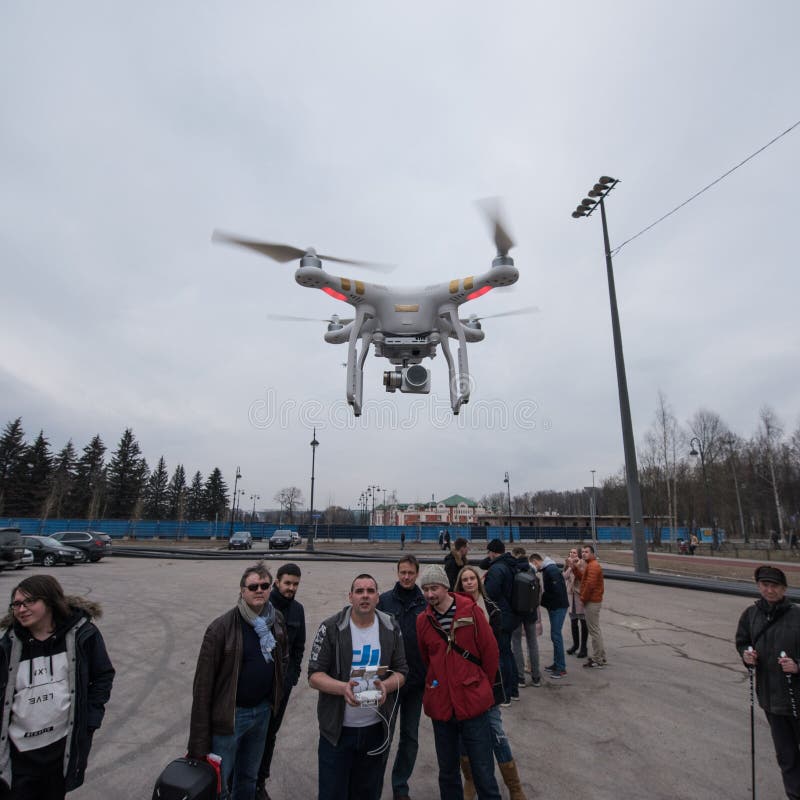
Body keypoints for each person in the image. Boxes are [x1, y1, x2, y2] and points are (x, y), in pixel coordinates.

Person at [0, 574, 114, 800]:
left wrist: (91, 721)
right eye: (16, 604)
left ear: (50, 602)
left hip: (60, 753)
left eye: (28, 602)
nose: (21, 609)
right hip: (18, 757)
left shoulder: (82, 636)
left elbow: (103, 676)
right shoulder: (8, 646)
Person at [188, 562, 288, 800]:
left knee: (249, 778)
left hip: (262, 712)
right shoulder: (221, 628)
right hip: (230, 717)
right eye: (253, 586)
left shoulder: (276, 620)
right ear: (242, 590)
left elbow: (282, 660)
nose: (259, 590)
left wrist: (276, 697)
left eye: (264, 585)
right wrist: (198, 741)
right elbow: (202, 688)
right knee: (219, 784)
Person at [308, 574, 407, 800]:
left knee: (367, 793)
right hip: (337, 732)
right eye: (359, 591)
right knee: (333, 793)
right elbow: (314, 675)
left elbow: (402, 671)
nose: (365, 596)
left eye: (370, 591)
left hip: (375, 729)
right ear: (350, 596)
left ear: (378, 597)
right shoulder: (331, 627)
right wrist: (343, 688)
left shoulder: (390, 626)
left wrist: (387, 686)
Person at [416, 564, 501, 800]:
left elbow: (490, 653)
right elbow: (427, 659)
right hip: (442, 707)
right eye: (426, 589)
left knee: (483, 770)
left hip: (472, 703)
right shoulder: (423, 621)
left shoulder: (471, 612)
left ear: (445, 587)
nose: (430, 594)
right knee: (447, 771)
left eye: (434, 588)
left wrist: (479, 685)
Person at [455, 565, 527, 800]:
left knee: (496, 731)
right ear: (460, 583)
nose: (469, 583)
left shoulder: (492, 609)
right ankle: (470, 781)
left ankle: (514, 787)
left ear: (478, 581)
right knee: (464, 734)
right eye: (464, 580)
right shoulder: (453, 609)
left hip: (488, 681)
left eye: (472, 579)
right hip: (462, 681)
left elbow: (495, 649)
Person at [736, 566, 800, 799]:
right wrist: (747, 655)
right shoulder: (750, 615)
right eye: (765, 585)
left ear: (784, 589)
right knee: (786, 755)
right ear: (758, 586)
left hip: (796, 696)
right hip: (771, 699)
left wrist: (797, 666)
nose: (769, 590)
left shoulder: (797, 615)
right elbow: (743, 641)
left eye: (775, 586)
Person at [377, 556, 427, 800]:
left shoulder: (425, 602)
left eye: (410, 573)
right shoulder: (384, 601)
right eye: (402, 572)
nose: (406, 577)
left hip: (416, 683)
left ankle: (400, 786)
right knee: (383, 736)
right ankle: (373, 784)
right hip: (389, 682)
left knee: (410, 738)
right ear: (397, 573)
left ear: (417, 573)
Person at [256, 563, 306, 800]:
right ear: (277, 582)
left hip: (281, 690)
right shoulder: (263, 605)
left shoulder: (298, 611)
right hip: (258, 688)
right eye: (287, 583)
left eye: (295, 584)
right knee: (250, 735)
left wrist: (291, 680)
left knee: (270, 736)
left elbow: (298, 649)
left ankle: (259, 783)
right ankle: (236, 780)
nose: (291, 588)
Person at [483, 538, 521, 702]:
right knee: (507, 652)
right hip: (512, 614)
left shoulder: (497, 569)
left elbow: (491, 592)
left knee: (502, 655)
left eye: (489, 552)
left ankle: (505, 694)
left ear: (492, 552)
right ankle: (513, 689)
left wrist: (484, 583)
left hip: (501, 616)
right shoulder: (509, 564)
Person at [530, 553, 569, 679]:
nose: (534, 568)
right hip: (555, 607)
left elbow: (557, 591)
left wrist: (542, 600)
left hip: (558, 607)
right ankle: (556, 663)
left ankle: (561, 668)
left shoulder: (551, 571)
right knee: (554, 636)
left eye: (533, 565)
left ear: (536, 561)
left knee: (556, 636)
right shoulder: (548, 569)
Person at [510, 546, 542, 687]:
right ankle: (536, 677)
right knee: (532, 643)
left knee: (516, 643)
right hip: (531, 612)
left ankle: (520, 677)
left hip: (516, 613)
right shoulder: (533, 572)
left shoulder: (513, 571)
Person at [574, 544, 607, 668]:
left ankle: (597, 659)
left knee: (594, 630)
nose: (583, 554)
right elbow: (584, 579)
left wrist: (582, 598)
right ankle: (601, 656)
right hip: (592, 600)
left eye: (586, 552)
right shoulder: (591, 565)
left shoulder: (593, 566)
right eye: (582, 552)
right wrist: (575, 569)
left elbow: (590, 585)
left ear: (592, 553)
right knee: (595, 629)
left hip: (592, 602)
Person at [563, 547, 588, 658]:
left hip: (579, 595)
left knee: (583, 622)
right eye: (571, 552)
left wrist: (575, 565)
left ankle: (583, 648)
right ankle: (575, 645)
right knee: (573, 622)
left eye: (574, 552)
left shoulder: (582, 563)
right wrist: (570, 566)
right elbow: (565, 576)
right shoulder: (568, 564)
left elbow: (582, 577)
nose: (572, 554)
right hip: (571, 596)